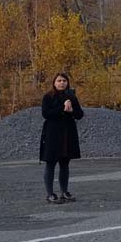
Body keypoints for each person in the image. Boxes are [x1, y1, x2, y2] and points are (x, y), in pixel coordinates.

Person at [40, 72, 84, 204]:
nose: (62, 83)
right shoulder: (48, 97)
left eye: (64, 80)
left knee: (65, 164)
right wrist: (63, 108)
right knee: (51, 163)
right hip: (52, 134)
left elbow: (80, 114)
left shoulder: (72, 97)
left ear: (67, 82)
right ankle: (50, 194)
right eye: (59, 81)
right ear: (54, 83)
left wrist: (72, 111)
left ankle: (64, 192)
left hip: (67, 134)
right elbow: (46, 114)